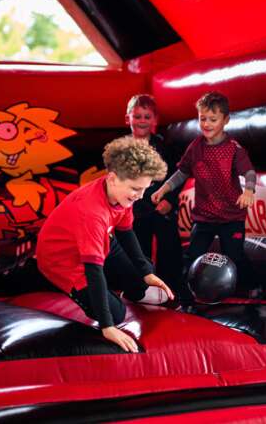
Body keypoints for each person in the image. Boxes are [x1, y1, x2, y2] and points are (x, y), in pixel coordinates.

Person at [35, 136, 174, 353]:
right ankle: (113, 299)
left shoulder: (123, 195)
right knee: (117, 314)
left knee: (143, 273)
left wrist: (146, 273)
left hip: (99, 241)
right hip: (63, 261)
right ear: (112, 178)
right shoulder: (92, 213)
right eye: (136, 189)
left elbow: (126, 232)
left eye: (145, 189)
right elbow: (93, 270)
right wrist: (108, 326)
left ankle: (130, 288)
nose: (140, 196)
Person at [151, 91, 260, 303]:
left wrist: (249, 190)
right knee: (192, 256)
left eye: (213, 119)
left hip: (230, 218)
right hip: (204, 217)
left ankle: (253, 285)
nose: (207, 124)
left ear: (225, 120)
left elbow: (249, 173)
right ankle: (185, 295)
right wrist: (164, 188)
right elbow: (182, 172)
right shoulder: (196, 147)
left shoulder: (233, 149)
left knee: (234, 255)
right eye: (203, 119)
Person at [124, 94, 184, 299]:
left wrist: (170, 200)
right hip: (134, 209)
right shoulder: (122, 149)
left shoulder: (165, 147)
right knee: (137, 252)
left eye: (147, 117)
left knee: (170, 250)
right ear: (128, 119)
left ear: (155, 120)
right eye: (137, 116)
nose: (142, 121)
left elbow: (177, 176)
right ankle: (140, 291)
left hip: (161, 206)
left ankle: (174, 291)